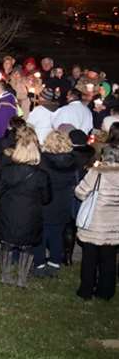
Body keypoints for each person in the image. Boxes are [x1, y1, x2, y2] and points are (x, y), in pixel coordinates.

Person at [0, 126, 52, 288]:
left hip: (9, 211)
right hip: (31, 213)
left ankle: (5, 276)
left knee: (7, 243)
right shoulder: (41, 175)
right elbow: (47, 198)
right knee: (27, 247)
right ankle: (22, 278)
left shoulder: (7, 171)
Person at [74, 143, 119, 301]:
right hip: (115, 224)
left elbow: (80, 192)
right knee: (109, 259)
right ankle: (106, 291)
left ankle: (86, 290)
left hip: (95, 222)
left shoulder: (98, 172)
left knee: (89, 259)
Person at [33, 129, 78, 277]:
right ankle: (54, 262)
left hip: (46, 202)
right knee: (57, 234)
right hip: (63, 203)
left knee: (41, 234)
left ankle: (39, 264)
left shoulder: (43, 161)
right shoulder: (72, 162)